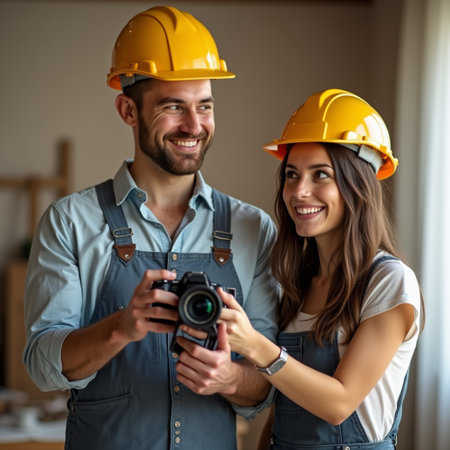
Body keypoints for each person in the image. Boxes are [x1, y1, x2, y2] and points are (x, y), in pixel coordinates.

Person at [22, 6, 278, 450]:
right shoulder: (70, 221)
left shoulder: (252, 228)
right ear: (128, 110)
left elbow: (267, 384)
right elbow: (42, 365)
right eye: (173, 107)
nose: (194, 126)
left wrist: (231, 377)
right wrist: (121, 327)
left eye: (205, 107)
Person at [215, 88, 424, 449]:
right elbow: (285, 407)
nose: (299, 191)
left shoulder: (390, 282)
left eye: (321, 175)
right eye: (292, 174)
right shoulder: (297, 283)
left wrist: (255, 345)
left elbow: (340, 402)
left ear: (357, 184)